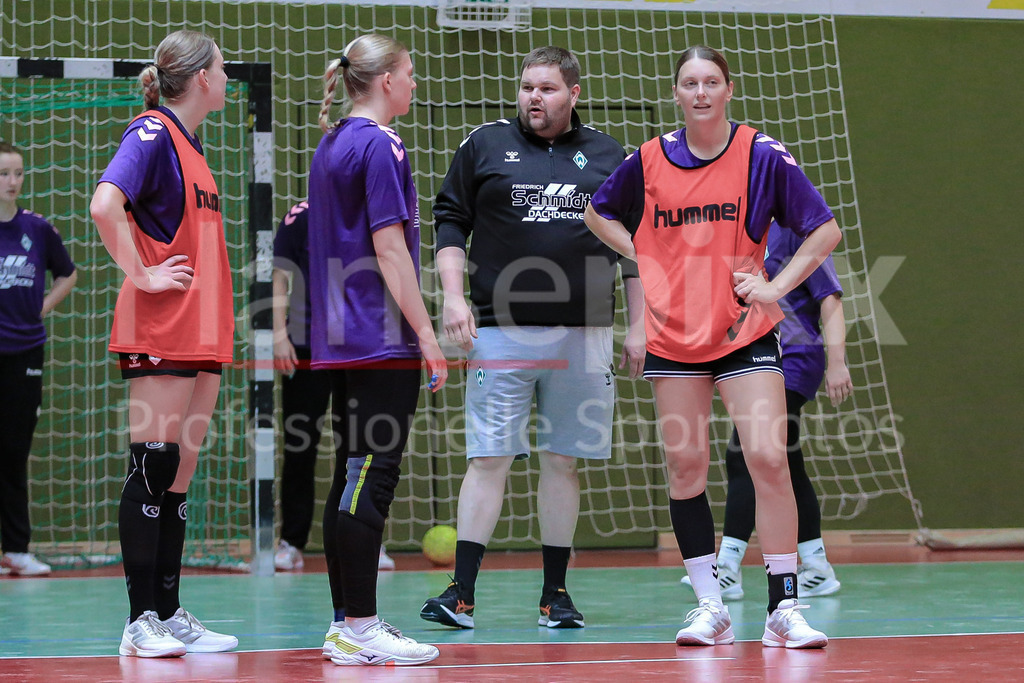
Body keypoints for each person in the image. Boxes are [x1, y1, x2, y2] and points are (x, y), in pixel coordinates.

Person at [584, 45, 841, 649]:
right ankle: (709, 605)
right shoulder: (647, 160)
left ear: (728, 90)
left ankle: (785, 607)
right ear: (676, 94)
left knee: (769, 458)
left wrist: (775, 285)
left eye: (711, 82)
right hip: (674, 339)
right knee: (686, 467)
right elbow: (598, 214)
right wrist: (643, 252)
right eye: (689, 83)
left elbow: (823, 229)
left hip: (743, 332)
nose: (700, 92)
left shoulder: (761, 155)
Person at [419, 46, 645, 631]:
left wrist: (640, 324)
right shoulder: (485, 144)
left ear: (573, 92)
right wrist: (451, 297)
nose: (533, 98)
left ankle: (556, 596)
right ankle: (460, 595)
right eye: (526, 88)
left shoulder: (607, 155)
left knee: (562, 463)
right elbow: (449, 221)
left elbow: (635, 248)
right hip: (499, 330)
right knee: (488, 457)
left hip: (587, 331)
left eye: (546, 88)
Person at [90, 30, 239, 657]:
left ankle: (170, 610)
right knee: (151, 463)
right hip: (161, 326)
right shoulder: (150, 134)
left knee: (178, 471)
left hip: (202, 330)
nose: (228, 77)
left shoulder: (192, 145)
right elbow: (105, 205)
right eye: (223, 68)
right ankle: (138, 618)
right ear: (201, 77)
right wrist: (144, 274)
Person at [307, 34, 447, 667]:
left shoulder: (331, 140)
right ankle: (359, 625)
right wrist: (425, 334)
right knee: (371, 474)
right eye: (409, 74)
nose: (414, 84)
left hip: (337, 334)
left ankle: (345, 622)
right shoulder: (380, 143)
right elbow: (390, 248)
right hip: (376, 335)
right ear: (386, 80)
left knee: (350, 473)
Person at [681, 221, 853, 600]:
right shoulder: (730, 228)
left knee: (746, 451)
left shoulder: (794, 231)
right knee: (784, 459)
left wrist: (838, 361)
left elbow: (830, 298)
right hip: (750, 356)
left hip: (792, 356)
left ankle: (727, 564)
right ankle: (816, 564)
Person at [271, 200, 395, 573]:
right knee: (300, 444)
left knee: (359, 449)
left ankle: (365, 538)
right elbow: (280, 273)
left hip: (358, 345)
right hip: (306, 345)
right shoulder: (301, 214)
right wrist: (278, 332)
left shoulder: (372, 210)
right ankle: (292, 540)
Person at [0, 142, 77, 577]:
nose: (13, 182)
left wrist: (42, 307)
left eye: (18, 173)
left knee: (14, 450)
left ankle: (16, 548)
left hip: (25, 349)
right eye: (4, 173)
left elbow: (68, 272)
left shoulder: (37, 228)